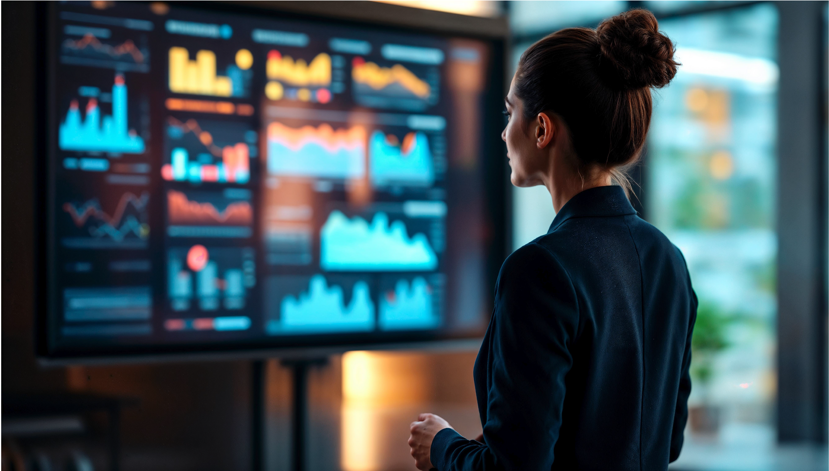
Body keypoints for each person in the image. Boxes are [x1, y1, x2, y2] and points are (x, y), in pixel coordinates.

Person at [408, 9, 697, 471]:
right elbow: (667, 439)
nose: (503, 132)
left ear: (542, 129)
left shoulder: (539, 269)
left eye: (510, 113)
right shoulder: (668, 260)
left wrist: (441, 445)